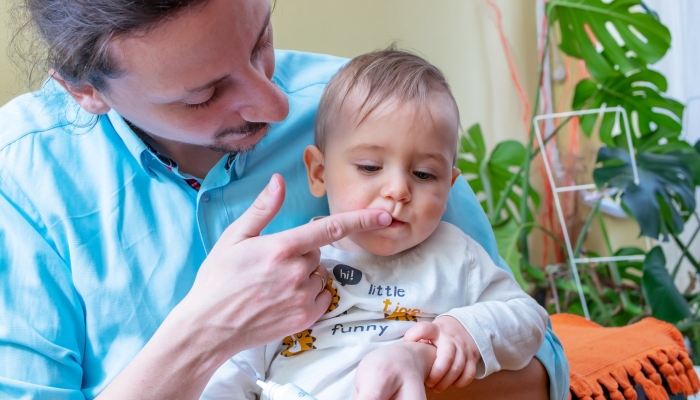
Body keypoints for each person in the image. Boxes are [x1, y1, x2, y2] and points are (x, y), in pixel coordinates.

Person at [0, 0, 568, 399]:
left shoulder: (369, 108)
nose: (276, 106)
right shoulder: (24, 179)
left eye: (260, 40)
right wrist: (204, 333)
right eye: (205, 96)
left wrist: (413, 365)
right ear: (85, 92)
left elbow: (540, 365)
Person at [202, 49, 549, 400]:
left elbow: (529, 320)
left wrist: (464, 331)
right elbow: (235, 366)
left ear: (449, 186)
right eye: (370, 167)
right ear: (319, 172)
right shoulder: (290, 262)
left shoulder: (457, 255)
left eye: (424, 174)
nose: (398, 190)